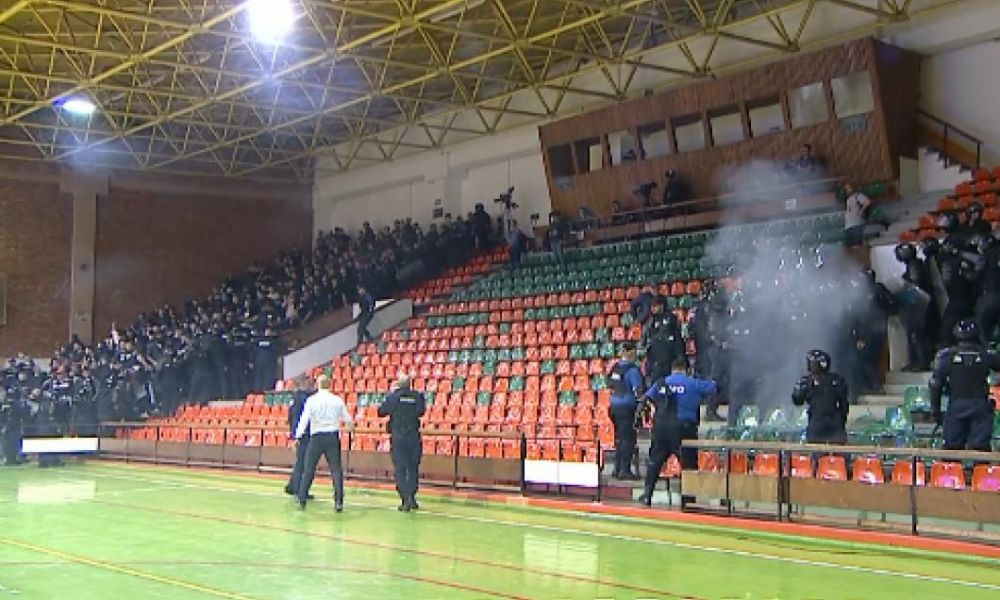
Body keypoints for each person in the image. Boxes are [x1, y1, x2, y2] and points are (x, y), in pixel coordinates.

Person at [635, 358, 716, 506]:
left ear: (672, 369)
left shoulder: (661, 383)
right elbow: (713, 388)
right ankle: (688, 499)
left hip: (661, 428)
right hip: (684, 429)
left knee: (655, 462)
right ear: (687, 369)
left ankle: (647, 494)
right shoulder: (693, 383)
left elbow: (646, 398)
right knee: (688, 464)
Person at [928, 319, 1000, 452]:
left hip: (957, 406)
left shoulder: (946, 356)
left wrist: (936, 412)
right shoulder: (987, 354)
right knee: (981, 450)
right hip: (980, 406)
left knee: (952, 451)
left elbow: (935, 386)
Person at [295, 374, 354, 511]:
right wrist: (351, 426)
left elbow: (304, 420)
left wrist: (297, 437)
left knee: (309, 468)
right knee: (336, 469)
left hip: (316, 437)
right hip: (332, 436)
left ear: (318, 384)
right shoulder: (337, 400)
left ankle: (302, 497)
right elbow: (348, 419)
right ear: (330, 384)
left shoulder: (311, 400)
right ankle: (338, 501)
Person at [377, 372, 427, 512]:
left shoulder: (393, 397)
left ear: (398, 384)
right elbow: (422, 412)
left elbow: (381, 411)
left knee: (400, 469)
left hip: (398, 437)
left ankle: (404, 499)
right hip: (413, 437)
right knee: (413, 468)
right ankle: (411, 497)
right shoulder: (417, 396)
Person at [791, 350, 850, 444]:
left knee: (817, 455)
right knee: (840, 455)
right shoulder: (838, 380)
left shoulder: (806, 381)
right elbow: (844, 406)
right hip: (835, 424)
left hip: (817, 425)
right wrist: (841, 421)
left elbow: (797, 400)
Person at [608, 343, 644, 480]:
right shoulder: (633, 370)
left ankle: (617, 469)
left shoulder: (615, 368)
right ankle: (625, 470)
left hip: (614, 406)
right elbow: (638, 391)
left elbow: (609, 384)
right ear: (629, 352)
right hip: (627, 407)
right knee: (628, 439)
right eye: (634, 352)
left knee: (619, 439)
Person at [642, 297, 685, 384]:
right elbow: (648, 340)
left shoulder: (671, 318)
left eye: (655, 306)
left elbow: (676, 339)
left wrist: (680, 356)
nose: (652, 308)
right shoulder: (651, 321)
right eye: (651, 306)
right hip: (655, 361)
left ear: (661, 305)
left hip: (668, 360)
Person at [284, 380, 314, 499]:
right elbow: (298, 419)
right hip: (304, 434)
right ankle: (298, 488)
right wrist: (297, 436)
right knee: (304, 463)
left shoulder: (296, 399)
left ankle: (293, 486)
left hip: (300, 433)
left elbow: (291, 418)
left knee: (301, 462)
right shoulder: (303, 400)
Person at [974, 235, 1000, 343]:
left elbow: (977, 274)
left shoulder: (986, 256)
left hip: (991, 295)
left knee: (981, 329)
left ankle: (986, 355)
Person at [842, 182, 871, 248]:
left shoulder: (858, 196)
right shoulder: (848, 199)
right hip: (848, 226)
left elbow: (868, 202)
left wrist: (861, 210)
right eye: (846, 189)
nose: (847, 190)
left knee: (857, 245)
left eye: (848, 188)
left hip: (856, 224)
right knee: (848, 246)